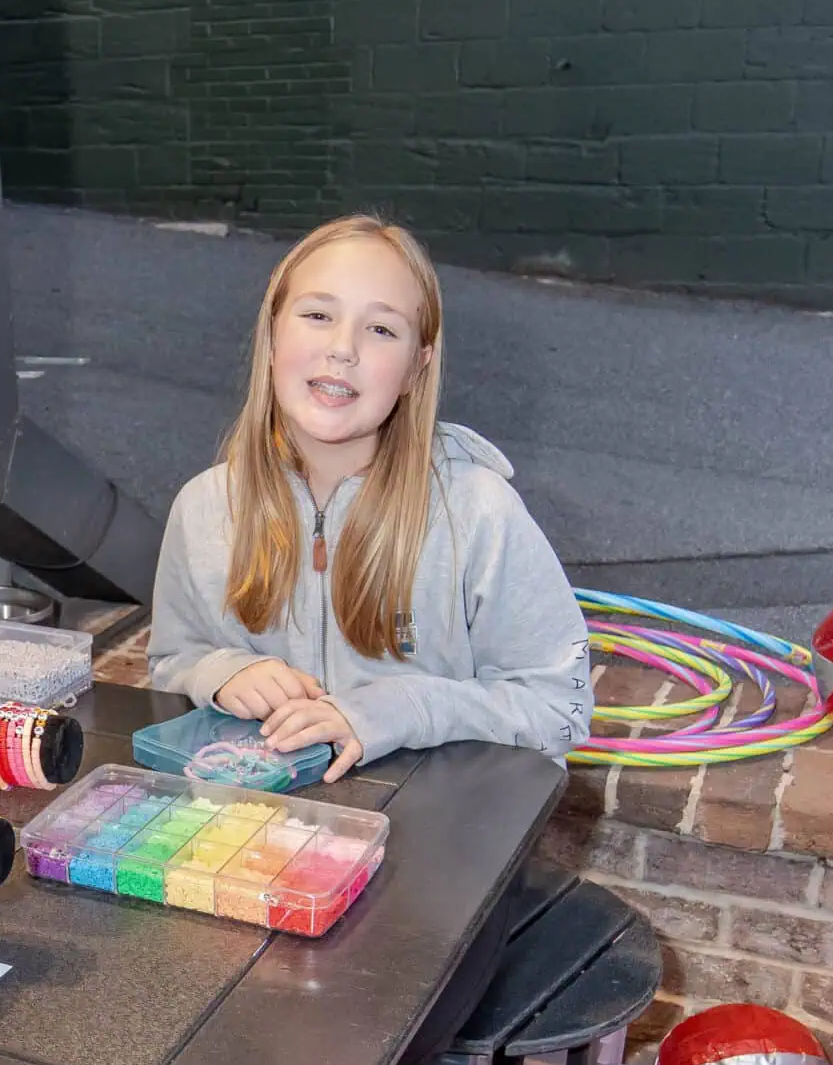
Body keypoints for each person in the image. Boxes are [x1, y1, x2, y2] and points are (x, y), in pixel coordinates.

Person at [149, 216, 590, 777]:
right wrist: (221, 673)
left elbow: (558, 710)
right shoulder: (203, 509)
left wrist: (404, 708)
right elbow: (172, 661)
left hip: (434, 821)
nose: (342, 349)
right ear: (272, 336)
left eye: (381, 329)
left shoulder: (480, 514)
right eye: (317, 315)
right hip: (267, 819)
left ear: (415, 368)